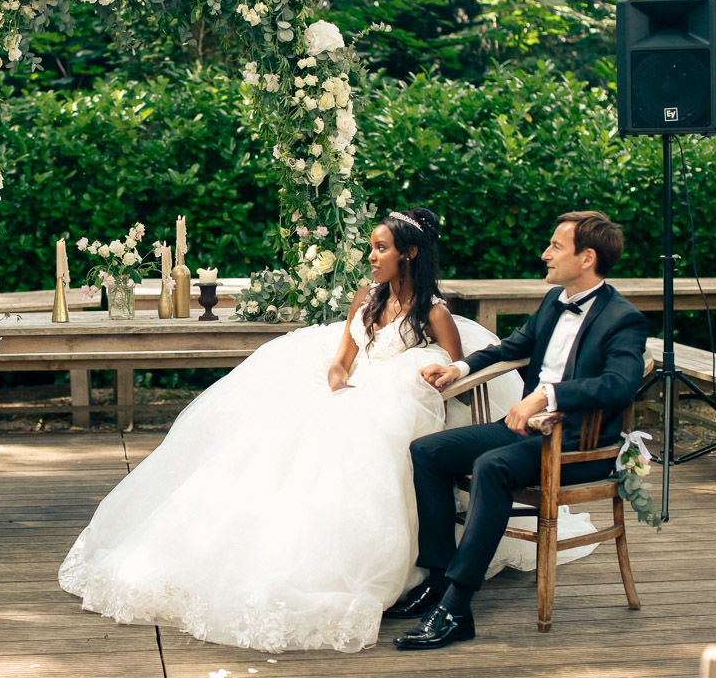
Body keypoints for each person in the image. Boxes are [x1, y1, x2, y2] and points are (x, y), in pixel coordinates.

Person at [58, 209, 526, 653]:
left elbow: (458, 381)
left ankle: (416, 572)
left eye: (380, 248)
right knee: (280, 433)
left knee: (360, 436)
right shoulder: (366, 299)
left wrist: (422, 377)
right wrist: (343, 385)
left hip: (399, 407)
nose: (371, 257)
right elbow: (341, 362)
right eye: (371, 248)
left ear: (410, 254)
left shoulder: (434, 314)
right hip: (355, 393)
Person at [389, 210, 648, 650]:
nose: (545, 254)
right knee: (427, 452)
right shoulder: (554, 300)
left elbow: (620, 384)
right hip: (528, 434)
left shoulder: (624, 318)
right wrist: (458, 367)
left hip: (575, 447)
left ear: (587, 258)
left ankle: (456, 606)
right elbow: (512, 347)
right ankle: (436, 578)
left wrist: (547, 395)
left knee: (491, 467)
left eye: (555, 247)